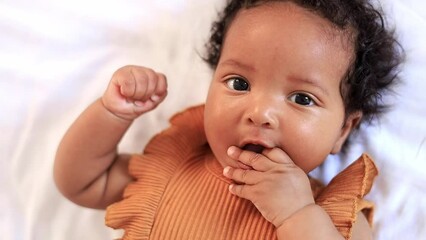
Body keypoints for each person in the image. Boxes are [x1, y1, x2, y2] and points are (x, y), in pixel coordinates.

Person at [54, 0, 402, 239]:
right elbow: (81, 182)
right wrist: (111, 113)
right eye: (239, 83)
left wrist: (296, 215)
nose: (260, 113)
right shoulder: (174, 170)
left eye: (302, 98)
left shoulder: (332, 218)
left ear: (343, 130)